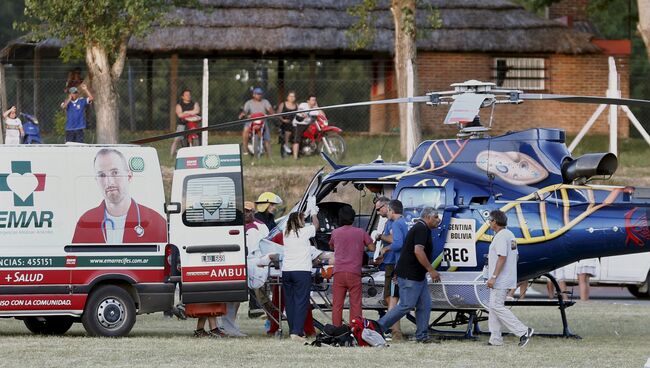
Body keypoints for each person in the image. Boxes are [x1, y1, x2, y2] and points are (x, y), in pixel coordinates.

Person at [72, 148, 167, 243]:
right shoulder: (85, 222)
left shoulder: (156, 222)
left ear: (129, 176)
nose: (109, 181)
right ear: (96, 180)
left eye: (115, 173)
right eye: (101, 175)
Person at [377, 207, 442, 344]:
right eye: (436, 217)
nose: (438, 219)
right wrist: (431, 270)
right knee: (406, 305)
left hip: (418, 275)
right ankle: (377, 327)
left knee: (424, 305)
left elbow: (409, 251)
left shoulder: (423, 228)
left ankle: (422, 336)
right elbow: (418, 251)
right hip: (410, 275)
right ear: (427, 217)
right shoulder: (421, 229)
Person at [485, 210, 534, 347]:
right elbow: (515, 256)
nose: (489, 222)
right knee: (493, 307)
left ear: (495, 221)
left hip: (500, 278)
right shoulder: (510, 235)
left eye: (490, 220)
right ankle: (495, 339)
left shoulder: (501, 236)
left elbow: (502, 257)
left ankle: (523, 331)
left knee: (496, 306)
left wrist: (494, 276)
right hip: (506, 277)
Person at [329, 206, 374, 326]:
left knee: (337, 305)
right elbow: (372, 247)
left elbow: (332, 246)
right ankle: (355, 329)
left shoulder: (335, 232)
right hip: (354, 272)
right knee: (355, 304)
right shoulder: (360, 232)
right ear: (353, 218)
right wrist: (360, 246)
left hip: (338, 272)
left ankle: (336, 329)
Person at [282, 206, 319, 342]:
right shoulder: (304, 232)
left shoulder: (285, 232)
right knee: (301, 302)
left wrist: (305, 212)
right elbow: (316, 225)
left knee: (290, 302)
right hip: (301, 271)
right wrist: (314, 213)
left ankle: (293, 329)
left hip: (287, 271)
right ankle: (297, 332)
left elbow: (291, 219)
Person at [378, 199, 408, 340]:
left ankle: (392, 330)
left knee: (393, 298)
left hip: (396, 264)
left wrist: (385, 247)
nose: (379, 212)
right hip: (402, 263)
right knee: (395, 298)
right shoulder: (404, 222)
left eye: (380, 209)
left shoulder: (396, 223)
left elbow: (398, 243)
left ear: (390, 209)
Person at [240, 87, 275, 156]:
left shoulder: (265, 101)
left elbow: (270, 110)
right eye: (257, 94)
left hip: (262, 121)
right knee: (245, 130)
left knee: (266, 138)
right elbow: (244, 111)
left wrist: (272, 113)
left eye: (260, 94)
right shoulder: (249, 102)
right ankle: (245, 149)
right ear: (253, 95)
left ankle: (269, 156)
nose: (259, 95)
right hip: (251, 121)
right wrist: (242, 114)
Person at [171, 89, 201, 157]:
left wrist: (186, 112)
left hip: (193, 123)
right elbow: (180, 115)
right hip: (182, 124)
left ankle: (197, 153)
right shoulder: (179, 105)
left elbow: (197, 111)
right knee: (177, 139)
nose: (188, 96)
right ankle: (172, 154)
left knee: (197, 135)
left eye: (189, 94)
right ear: (183, 97)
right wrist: (191, 112)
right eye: (186, 95)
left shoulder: (194, 103)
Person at [291, 95, 321, 160]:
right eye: (312, 100)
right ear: (308, 101)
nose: (314, 101)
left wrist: (318, 107)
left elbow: (322, 115)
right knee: (297, 140)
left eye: (315, 100)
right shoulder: (303, 105)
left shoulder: (315, 108)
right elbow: (301, 112)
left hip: (307, 124)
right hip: (298, 124)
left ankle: (313, 150)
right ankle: (295, 157)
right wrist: (304, 114)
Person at [276, 91, 298, 157]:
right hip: (285, 123)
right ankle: (286, 144)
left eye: (293, 96)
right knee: (287, 129)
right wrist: (283, 120)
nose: (292, 98)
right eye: (290, 96)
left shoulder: (297, 105)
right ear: (287, 97)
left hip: (294, 123)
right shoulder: (283, 104)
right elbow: (278, 114)